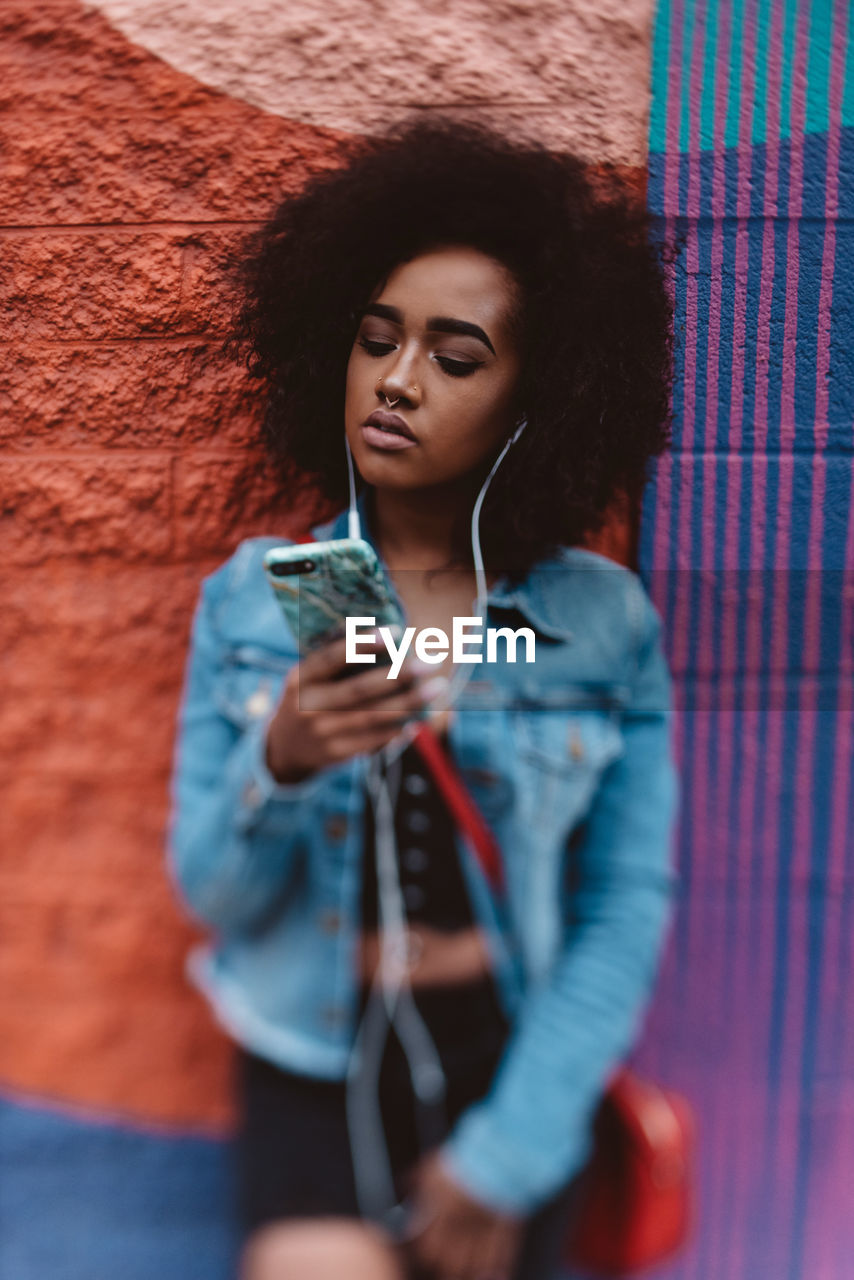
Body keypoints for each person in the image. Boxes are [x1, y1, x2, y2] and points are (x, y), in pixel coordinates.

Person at [167, 114, 680, 1280]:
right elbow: (212, 892)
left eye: (454, 358)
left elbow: (620, 908)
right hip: (309, 1049)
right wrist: (283, 762)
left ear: (533, 401)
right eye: (375, 339)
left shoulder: (597, 626)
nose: (396, 381)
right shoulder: (263, 602)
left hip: (507, 1061)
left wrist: (511, 1148)